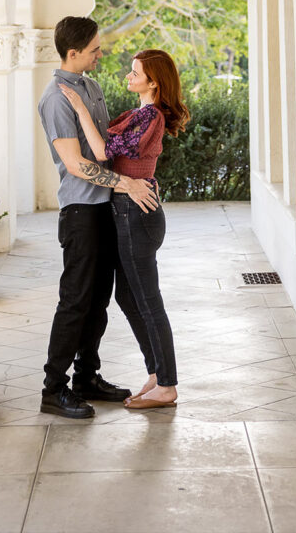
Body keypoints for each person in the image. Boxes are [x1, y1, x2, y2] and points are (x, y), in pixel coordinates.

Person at [38, 16, 159, 420]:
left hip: (105, 208)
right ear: (73, 53)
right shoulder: (55, 98)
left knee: (99, 302)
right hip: (80, 212)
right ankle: (53, 390)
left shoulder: (90, 86)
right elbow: (75, 164)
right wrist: (126, 184)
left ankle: (86, 377)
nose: (100, 53)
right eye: (93, 49)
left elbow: (104, 147)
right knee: (75, 301)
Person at [59, 48, 188, 410]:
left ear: (154, 82)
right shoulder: (138, 114)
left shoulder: (150, 118)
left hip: (137, 215)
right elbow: (120, 153)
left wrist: (80, 107)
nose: (128, 77)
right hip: (127, 211)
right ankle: (156, 372)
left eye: (135, 73)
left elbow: (102, 151)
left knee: (147, 300)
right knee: (128, 297)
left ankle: (167, 385)